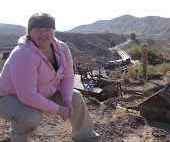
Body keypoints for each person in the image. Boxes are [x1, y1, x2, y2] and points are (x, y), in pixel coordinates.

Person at [0, 12, 100, 142]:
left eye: (48, 29)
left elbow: (68, 77)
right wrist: (58, 109)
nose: (43, 34)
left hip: (41, 94)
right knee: (30, 116)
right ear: (29, 32)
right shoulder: (23, 54)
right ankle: (19, 139)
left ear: (53, 31)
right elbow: (27, 95)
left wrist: (67, 102)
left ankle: (86, 137)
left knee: (75, 97)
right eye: (38, 30)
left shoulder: (62, 49)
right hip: (10, 97)